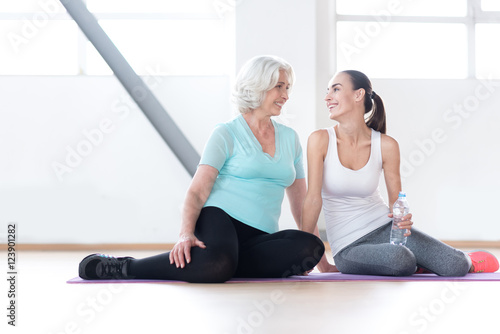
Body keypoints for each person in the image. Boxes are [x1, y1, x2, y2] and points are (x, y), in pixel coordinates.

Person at [78, 55, 325, 283]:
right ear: (258, 86)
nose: (285, 94)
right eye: (279, 86)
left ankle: (222, 262)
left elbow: (301, 202)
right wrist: (186, 234)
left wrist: (319, 260)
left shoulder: (290, 138)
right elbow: (197, 191)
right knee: (216, 266)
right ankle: (127, 267)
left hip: (260, 236)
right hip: (220, 219)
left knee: (310, 246)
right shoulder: (226, 133)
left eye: (287, 87)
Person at [301, 70, 499, 276]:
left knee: (455, 266)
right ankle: (418, 261)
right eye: (328, 91)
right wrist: (304, 254)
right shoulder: (320, 140)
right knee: (400, 259)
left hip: (386, 229)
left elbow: (397, 202)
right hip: (349, 246)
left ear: (358, 95)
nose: (327, 97)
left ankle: (461, 259)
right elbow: (313, 200)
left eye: (336, 89)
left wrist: (402, 217)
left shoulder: (386, 145)